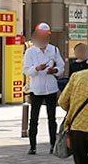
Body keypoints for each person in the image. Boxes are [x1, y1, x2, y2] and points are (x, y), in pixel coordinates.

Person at [23, 22, 64, 155]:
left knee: (51, 118)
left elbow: (61, 66)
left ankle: (53, 144)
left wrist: (55, 70)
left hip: (51, 88)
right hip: (36, 88)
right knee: (33, 118)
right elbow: (26, 70)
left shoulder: (54, 50)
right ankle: (32, 145)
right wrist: (36, 69)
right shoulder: (30, 52)